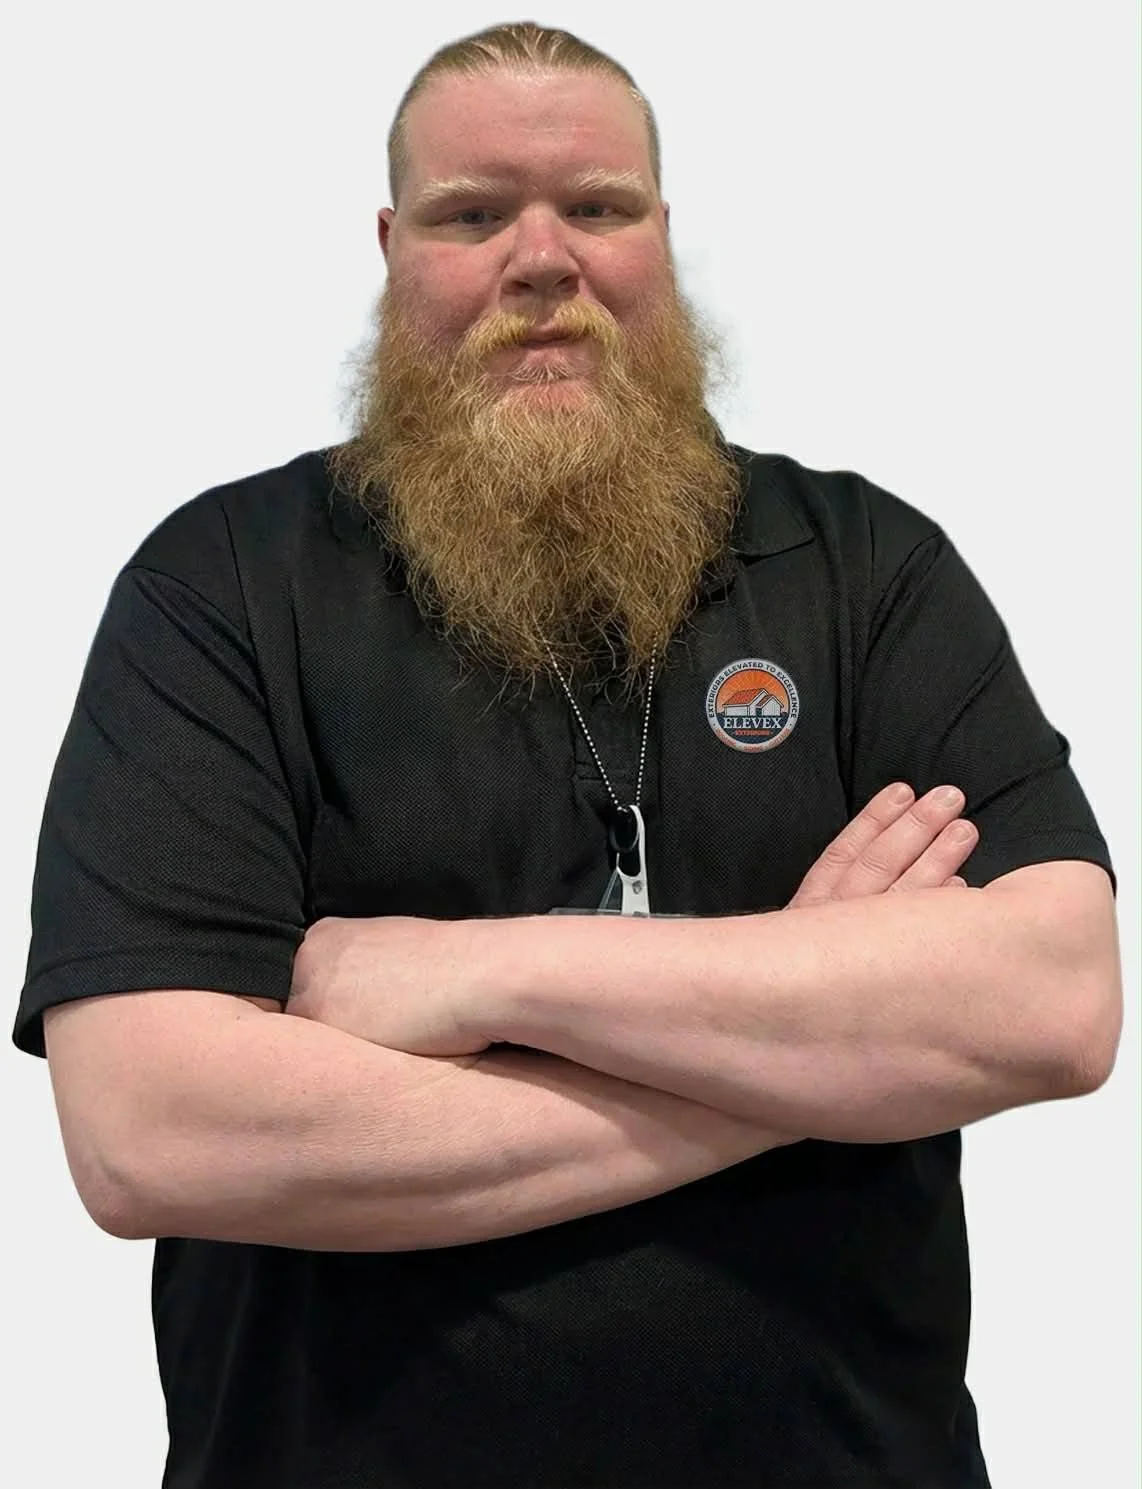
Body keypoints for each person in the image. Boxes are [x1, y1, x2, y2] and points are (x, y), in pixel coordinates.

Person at [13, 20, 1121, 1489]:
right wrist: (816, 1039)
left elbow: (1053, 1004)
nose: (542, 259)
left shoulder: (864, 567)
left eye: (596, 206)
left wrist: (470, 974)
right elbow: (152, 1134)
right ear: (393, 246)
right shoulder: (220, 587)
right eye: (474, 216)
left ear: (660, 236)